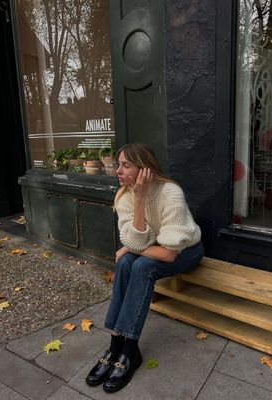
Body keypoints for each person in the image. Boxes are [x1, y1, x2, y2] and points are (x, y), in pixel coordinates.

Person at [86, 143, 204, 393]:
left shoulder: (170, 192)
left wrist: (130, 247)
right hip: (154, 245)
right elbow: (135, 241)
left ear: (145, 170)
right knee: (128, 261)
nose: (118, 170)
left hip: (186, 251)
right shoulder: (126, 195)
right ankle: (115, 343)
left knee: (141, 265)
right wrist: (138, 199)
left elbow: (169, 253)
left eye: (126, 165)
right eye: (118, 164)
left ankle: (130, 350)